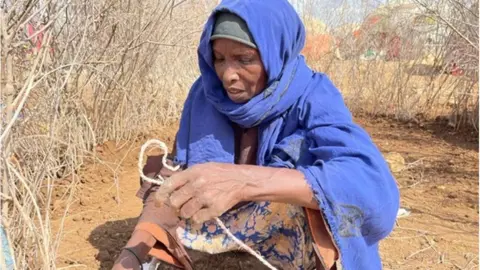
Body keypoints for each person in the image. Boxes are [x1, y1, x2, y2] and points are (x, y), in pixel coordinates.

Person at [113, 0, 399, 269]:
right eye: (219, 58)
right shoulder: (205, 94)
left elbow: (368, 185)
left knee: (313, 193)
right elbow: (173, 182)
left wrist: (242, 181)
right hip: (220, 230)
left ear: (276, 51)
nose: (227, 75)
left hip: (288, 237)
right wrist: (131, 256)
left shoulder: (313, 95)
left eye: (244, 58)